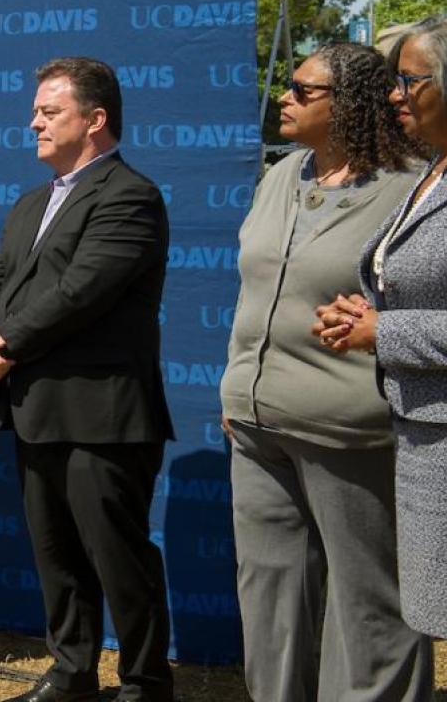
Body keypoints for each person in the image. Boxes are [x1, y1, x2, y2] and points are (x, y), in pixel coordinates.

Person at [222, 43, 431, 702]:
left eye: (301, 89)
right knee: (269, 601)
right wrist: (237, 384)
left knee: (369, 611)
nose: (283, 96)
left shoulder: (409, 191)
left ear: (347, 106)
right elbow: (252, 291)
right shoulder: (280, 176)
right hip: (258, 427)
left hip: (353, 433)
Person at [0, 57, 173, 702]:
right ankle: (72, 675)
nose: (34, 123)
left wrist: (5, 345)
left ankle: (144, 684)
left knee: (119, 559)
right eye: (36, 112)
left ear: (96, 119)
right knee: (58, 560)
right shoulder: (31, 203)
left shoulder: (130, 195)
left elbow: (80, 292)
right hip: (35, 409)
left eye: (50, 112)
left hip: (102, 415)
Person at [315, 16, 447, 641]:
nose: (395, 93)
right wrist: (361, 312)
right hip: (422, 434)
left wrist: (384, 333)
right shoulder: (432, 172)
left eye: (410, 80)